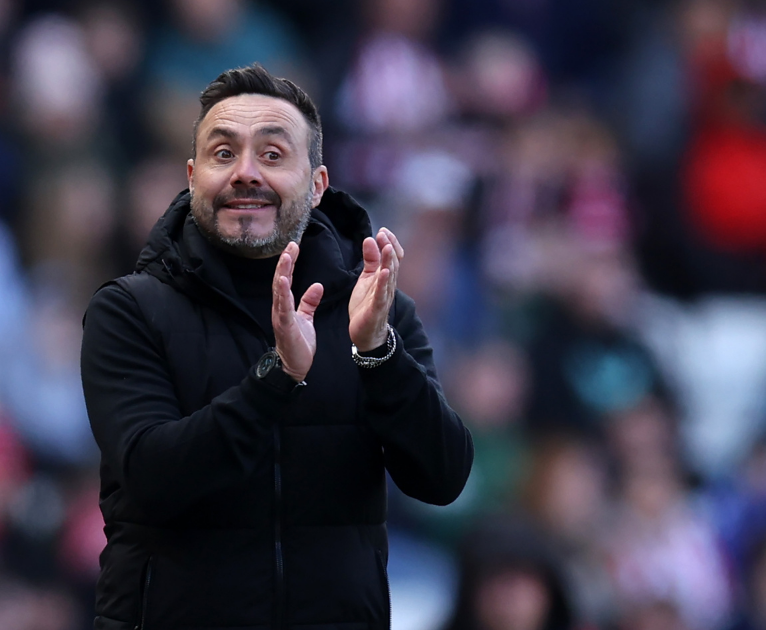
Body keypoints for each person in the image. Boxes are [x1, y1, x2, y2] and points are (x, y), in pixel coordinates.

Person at [80, 64, 473, 630]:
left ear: (316, 184)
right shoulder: (130, 310)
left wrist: (378, 354)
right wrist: (277, 378)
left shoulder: (375, 312)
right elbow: (153, 480)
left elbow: (442, 478)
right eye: (222, 154)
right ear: (192, 178)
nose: (245, 174)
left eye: (271, 154)